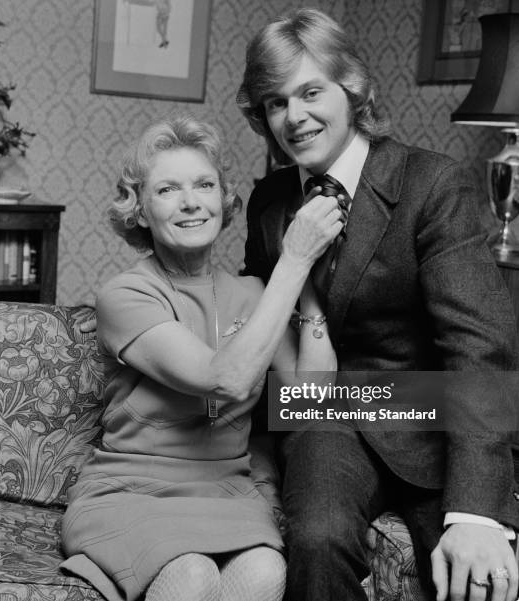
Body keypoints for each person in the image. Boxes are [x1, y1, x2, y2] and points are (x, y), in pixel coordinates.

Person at [236, 7, 519, 601]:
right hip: (323, 420)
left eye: (312, 91)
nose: (295, 116)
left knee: (481, 575)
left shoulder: (431, 184)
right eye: (275, 102)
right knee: (315, 538)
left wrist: (474, 514)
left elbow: (479, 347)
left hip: (432, 420)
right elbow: (261, 333)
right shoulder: (268, 202)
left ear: (352, 88)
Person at [61, 115, 340, 601]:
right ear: (141, 211)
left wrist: (309, 291)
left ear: (223, 200)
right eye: (168, 190)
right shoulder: (126, 295)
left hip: (226, 490)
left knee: (264, 573)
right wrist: (293, 261)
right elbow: (224, 378)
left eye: (205, 185)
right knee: (189, 575)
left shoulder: (255, 293)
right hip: (132, 491)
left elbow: (311, 400)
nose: (191, 202)